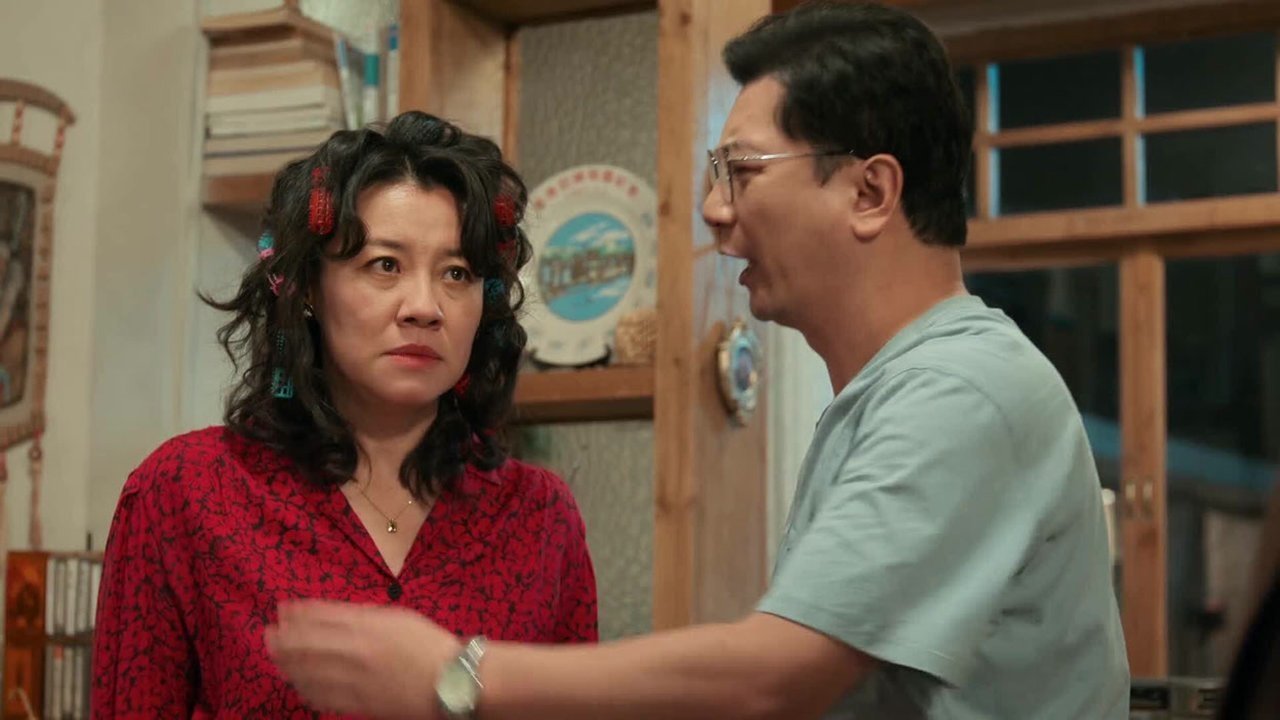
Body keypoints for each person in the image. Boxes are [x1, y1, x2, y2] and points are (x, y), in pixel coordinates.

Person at [266, 3, 1129, 718]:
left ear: (870, 192)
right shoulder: (892, 394)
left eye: (741, 170)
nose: (714, 209)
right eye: (381, 266)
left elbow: (776, 678)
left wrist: (455, 676)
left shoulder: (959, 390)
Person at [91, 112, 598, 718]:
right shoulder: (184, 492)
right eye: (385, 265)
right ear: (308, 287)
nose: (424, 306)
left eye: (456, 273)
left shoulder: (540, 518)